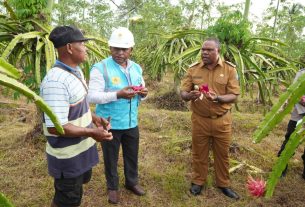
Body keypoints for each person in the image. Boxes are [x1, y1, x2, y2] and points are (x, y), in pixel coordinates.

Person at [40, 25, 113, 207]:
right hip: (67, 157)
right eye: (82, 43)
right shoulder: (56, 82)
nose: (86, 48)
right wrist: (91, 133)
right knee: (67, 200)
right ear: (70, 48)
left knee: (75, 193)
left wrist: (94, 118)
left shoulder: (76, 71)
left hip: (80, 151)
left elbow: (77, 106)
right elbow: (55, 127)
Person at [88, 27, 148, 204]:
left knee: (132, 154)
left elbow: (142, 90)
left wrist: (144, 94)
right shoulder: (101, 68)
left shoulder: (136, 68)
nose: (119, 53)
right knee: (111, 157)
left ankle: (132, 182)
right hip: (109, 122)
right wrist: (117, 94)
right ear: (110, 48)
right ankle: (112, 187)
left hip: (131, 122)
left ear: (131, 50)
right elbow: (92, 96)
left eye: (124, 49)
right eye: (116, 48)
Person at [180, 38, 240, 199]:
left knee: (222, 154)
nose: (204, 52)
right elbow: (183, 92)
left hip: (222, 120)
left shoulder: (229, 69)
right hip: (200, 119)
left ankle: (223, 184)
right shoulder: (194, 69)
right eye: (203, 49)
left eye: (209, 50)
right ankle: (198, 182)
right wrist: (189, 95)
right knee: (199, 153)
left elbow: (234, 95)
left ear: (217, 51)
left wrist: (218, 98)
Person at [277, 67, 305, 178]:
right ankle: (280, 168)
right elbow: (294, 92)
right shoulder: (302, 73)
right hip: (300, 112)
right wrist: (302, 99)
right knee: (290, 139)